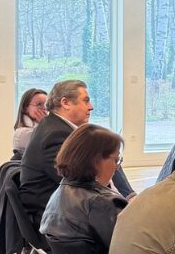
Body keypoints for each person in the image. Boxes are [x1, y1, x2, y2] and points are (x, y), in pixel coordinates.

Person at [20, 79, 134, 222]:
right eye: (85, 101)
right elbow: (77, 183)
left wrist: (128, 196)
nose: (91, 107)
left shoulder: (57, 127)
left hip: (64, 208)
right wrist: (118, 202)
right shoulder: (55, 135)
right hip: (56, 217)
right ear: (65, 103)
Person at [39, 124, 128, 254]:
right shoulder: (103, 204)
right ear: (96, 160)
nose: (116, 167)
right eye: (116, 160)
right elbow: (133, 252)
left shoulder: (60, 192)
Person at [12, 88, 48, 156]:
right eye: (39, 104)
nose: (44, 108)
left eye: (47, 104)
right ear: (25, 108)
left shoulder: (42, 125)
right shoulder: (25, 132)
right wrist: (46, 124)